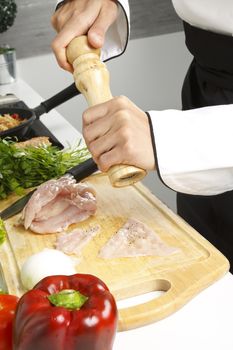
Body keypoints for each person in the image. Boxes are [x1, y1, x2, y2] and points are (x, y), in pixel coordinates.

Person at [51, 0, 233, 270]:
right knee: (207, 270)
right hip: (207, 86)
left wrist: (172, 139)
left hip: (208, 135)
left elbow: (175, 142)